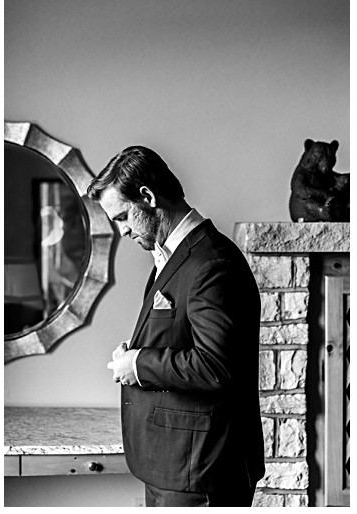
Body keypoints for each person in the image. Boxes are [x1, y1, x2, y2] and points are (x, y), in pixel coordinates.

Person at [87, 146, 263, 507]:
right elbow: (182, 337)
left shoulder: (212, 263)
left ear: (148, 197)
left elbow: (216, 366)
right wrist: (136, 351)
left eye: (122, 216)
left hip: (200, 470)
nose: (121, 231)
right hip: (179, 466)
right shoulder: (175, 257)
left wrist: (139, 365)